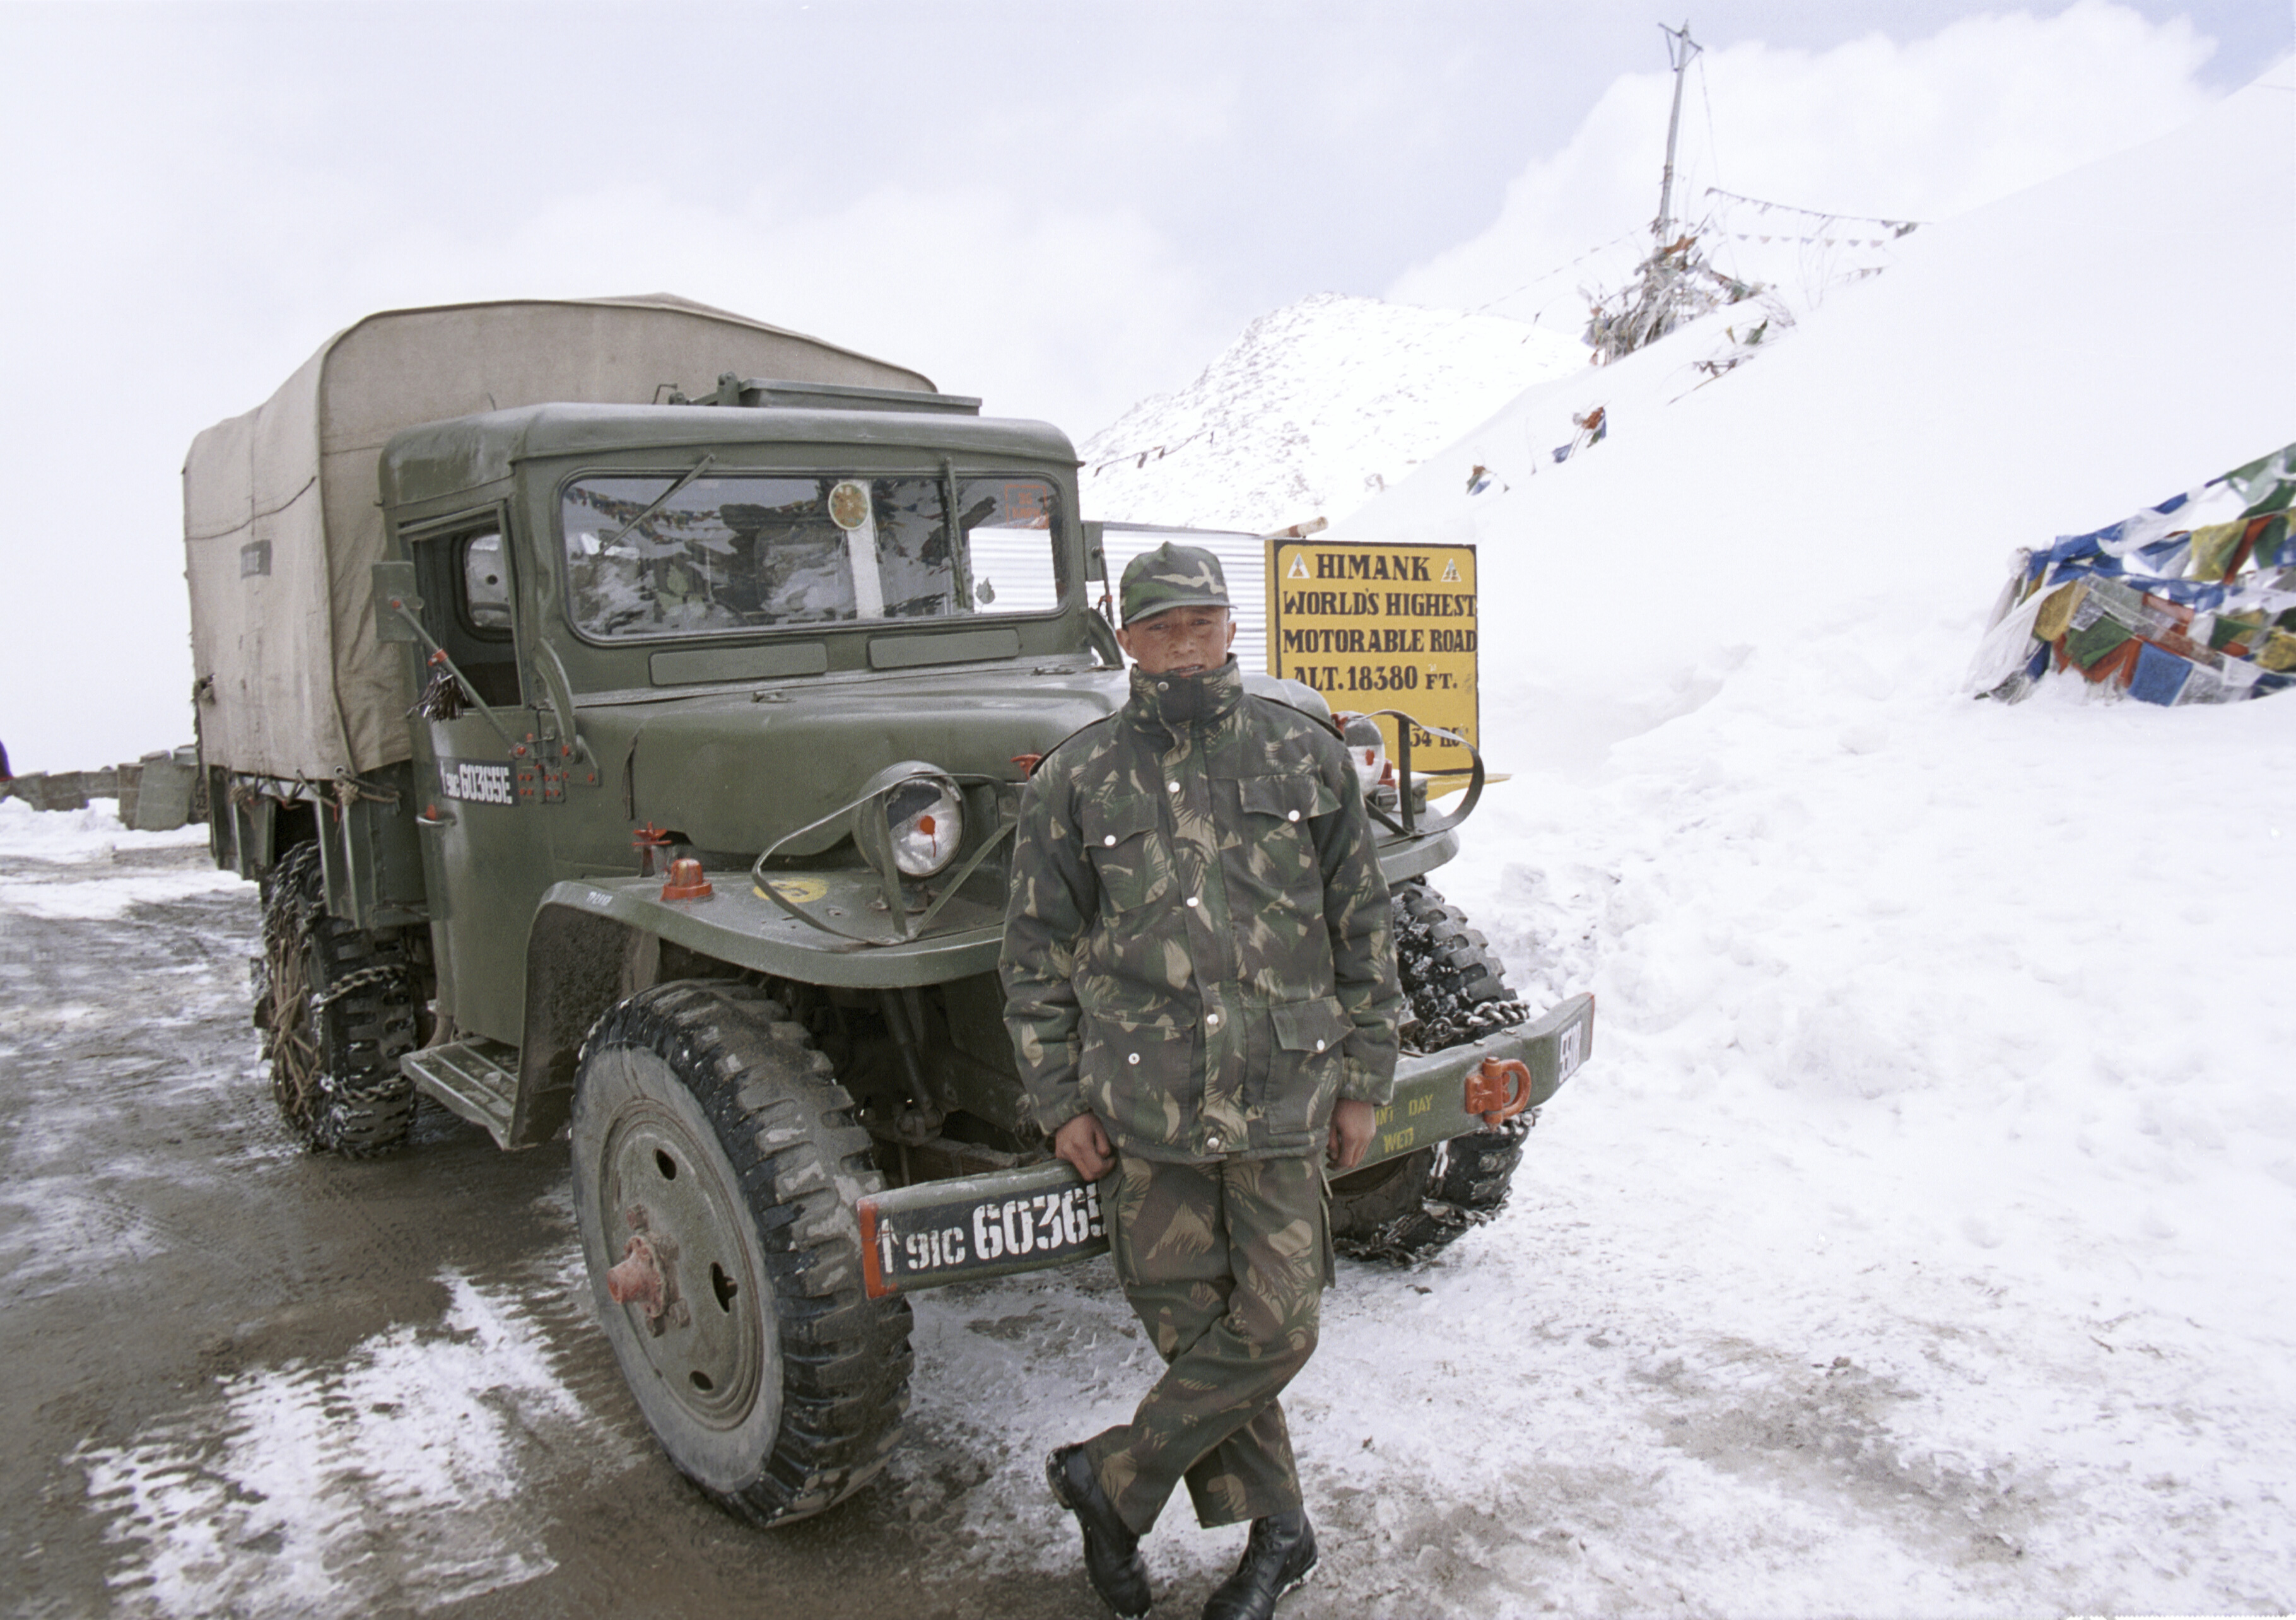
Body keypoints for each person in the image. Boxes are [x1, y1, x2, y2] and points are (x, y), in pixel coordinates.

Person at [1001, 542, 1402, 1620]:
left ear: (1233, 630)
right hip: (1147, 1104)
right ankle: (1280, 1535)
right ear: (1126, 641)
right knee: (1196, 1327)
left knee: (1278, 1324)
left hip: (1281, 1091)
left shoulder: (1299, 752)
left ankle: (1113, 1483)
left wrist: (1365, 1078)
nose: (1184, 646)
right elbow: (1035, 955)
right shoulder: (1079, 777)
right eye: (1160, 628)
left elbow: (1362, 922)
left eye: (1202, 623)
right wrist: (1059, 1103)